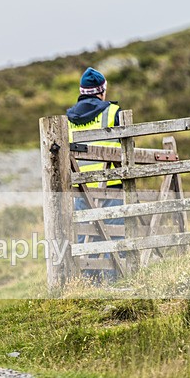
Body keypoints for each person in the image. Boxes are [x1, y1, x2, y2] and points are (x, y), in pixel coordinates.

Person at [66, 67, 124, 281]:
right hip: (111, 184)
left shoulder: (69, 118)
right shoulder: (112, 113)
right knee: (114, 234)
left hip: (81, 187)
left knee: (85, 236)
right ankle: (114, 282)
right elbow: (126, 145)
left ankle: (88, 283)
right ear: (102, 91)